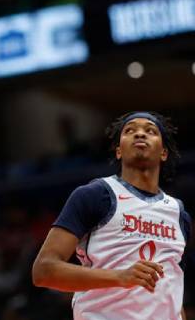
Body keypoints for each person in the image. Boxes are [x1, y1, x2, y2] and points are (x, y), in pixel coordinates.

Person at [32, 112, 191, 320]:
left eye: (150, 131)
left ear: (163, 152)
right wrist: (120, 276)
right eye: (130, 130)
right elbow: (43, 271)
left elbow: (172, 289)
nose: (140, 134)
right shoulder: (94, 195)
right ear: (118, 151)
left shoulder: (178, 213)